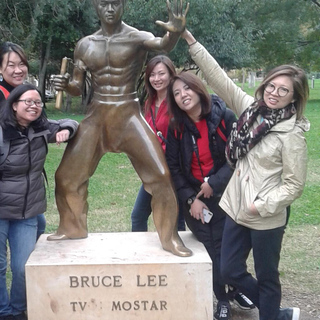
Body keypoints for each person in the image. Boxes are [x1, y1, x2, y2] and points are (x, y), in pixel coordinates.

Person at [182, 30, 309, 320]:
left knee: (266, 277)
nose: (274, 93)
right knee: (229, 270)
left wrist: (260, 206)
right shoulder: (251, 111)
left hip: (265, 214)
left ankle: (270, 314)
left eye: (283, 90)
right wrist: (192, 42)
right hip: (236, 207)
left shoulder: (292, 134)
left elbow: (294, 185)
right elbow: (219, 79)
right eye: (272, 86)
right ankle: (276, 313)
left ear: (293, 97)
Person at [51, 0, 192, 257]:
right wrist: (65, 85)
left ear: (123, 5)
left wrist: (174, 32)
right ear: (95, 6)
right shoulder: (85, 45)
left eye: (115, 3)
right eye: (104, 4)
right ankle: (71, 227)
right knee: (65, 177)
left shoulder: (137, 37)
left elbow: (163, 45)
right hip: (96, 117)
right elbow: (76, 85)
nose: (110, 9)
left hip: (128, 116)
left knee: (161, 176)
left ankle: (169, 238)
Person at [0, 84, 78, 320]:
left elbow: (73, 122)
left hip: (28, 210)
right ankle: (2, 311)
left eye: (37, 102)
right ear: (14, 105)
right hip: (0, 210)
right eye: (27, 101)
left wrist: (66, 128)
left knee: (22, 267)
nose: (33, 106)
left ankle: (17, 309)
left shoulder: (40, 128)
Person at [165, 72, 237, 319]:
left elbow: (237, 157)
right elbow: (173, 168)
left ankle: (235, 288)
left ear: (198, 89)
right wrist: (190, 199)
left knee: (230, 247)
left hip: (225, 195)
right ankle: (223, 298)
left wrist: (214, 184)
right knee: (213, 248)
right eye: (176, 93)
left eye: (186, 89)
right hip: (195, 200)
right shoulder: (176, 127)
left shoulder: (225, 117)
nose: (182, 95)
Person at [0, 41, 46, 241]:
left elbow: (42, 124)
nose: (18, 70)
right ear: (0, 68)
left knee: (39, 223)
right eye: (11, 65)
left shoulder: (25, 93)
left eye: (22, 64)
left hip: (24, 185)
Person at [130, 55, 185, 232]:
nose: (156, 79)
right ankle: (140, 256)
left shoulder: (178, 102)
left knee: (175, 217)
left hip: (173, 169)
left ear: (171, 75)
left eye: (161, 74)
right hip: (153, 170)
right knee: (138, 216)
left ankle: (180, 257)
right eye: (152, 75)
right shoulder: (149, 102)